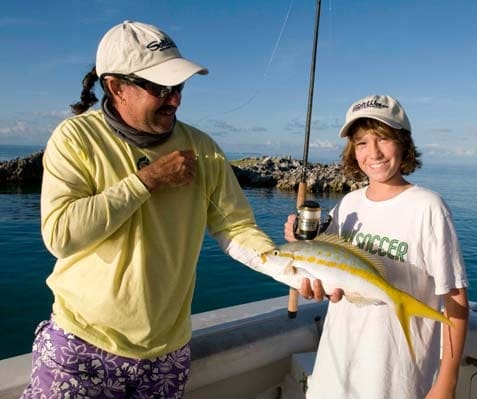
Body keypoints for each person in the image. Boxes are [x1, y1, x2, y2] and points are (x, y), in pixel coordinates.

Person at [21, 20, 283, 398]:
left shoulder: (204, 148)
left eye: (178, 86)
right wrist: (147, 181)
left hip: (166, 356)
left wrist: (288, 269)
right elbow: (61, 236)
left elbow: (236, 227)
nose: (175, 98)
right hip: (80, 347)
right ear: (116, 87)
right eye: (161, 87)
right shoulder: (76, 137)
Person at [284, 94, 469, 399]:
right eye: (362, 143)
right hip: (334, 370)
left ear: (403, 143)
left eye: (383, 138)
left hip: (395, 379)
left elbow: (456, 298)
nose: (374, 153)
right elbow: (329, 270)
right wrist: (297, 240)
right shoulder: (348, 204)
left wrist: (446, 382)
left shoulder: (428, 207)